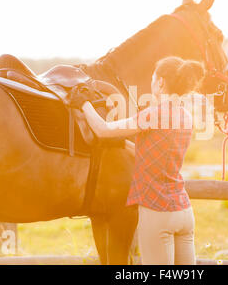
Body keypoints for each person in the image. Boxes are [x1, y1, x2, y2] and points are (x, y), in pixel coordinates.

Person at [81, 56, 205, 265]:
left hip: (157, 211)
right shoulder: (186, 117)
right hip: (183, 211)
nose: (151, 82)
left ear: (161, 82)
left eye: (153, 78)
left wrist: (83, 103)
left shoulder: (153, 114)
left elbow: (103, 129)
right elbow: (155, 153)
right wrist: (123, 146)